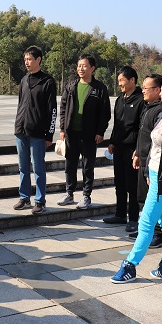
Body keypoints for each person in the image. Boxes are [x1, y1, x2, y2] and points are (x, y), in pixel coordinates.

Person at [111, 73, 162, 284]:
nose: (161, 93)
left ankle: (130, 265)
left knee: (146, 223)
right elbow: (156, 149)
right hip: (157, 175)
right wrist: (149, 172)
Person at [56, 53, 111, 209]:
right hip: (71, 133)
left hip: (89, 135)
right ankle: (69, 193)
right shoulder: (71, 86)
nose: (80, 68)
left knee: (87, 167)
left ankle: (86, 196)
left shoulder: (99, 88)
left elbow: (105, 113)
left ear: (92, 68)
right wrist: (62, 128)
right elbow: (63, 108)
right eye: (79, 66)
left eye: (84, 66)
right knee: (70, 165)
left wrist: (100, 132)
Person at [13, 46, 58, 214]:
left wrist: (49, 134)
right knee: (23, 167)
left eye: (29, 59)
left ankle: (40, 201)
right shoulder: (24, 80)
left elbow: (52, 110)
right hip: (21, 130)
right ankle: (24, 198)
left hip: (38, 132)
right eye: (25, 59)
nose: (26, 62)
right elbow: (20, 104)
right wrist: (18, 123)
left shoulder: (47, 81)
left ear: (38, 60)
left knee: (38, 168)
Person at [104, 66, 145, 229]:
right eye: (119, 80)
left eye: (122, 80)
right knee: (119, 182)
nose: (119, 83)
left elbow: (142, 127)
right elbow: (117, 123)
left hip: (131, 148)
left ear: (132, 80)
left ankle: (133, 218)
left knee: (132, 184)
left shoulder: (141, 100)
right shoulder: (120, 99)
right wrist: (112, 141)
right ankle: (120, 214)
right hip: (119, 147)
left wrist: (138, 149)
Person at [129, 74, 162, 246]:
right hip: (143, 159)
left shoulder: (160, 111)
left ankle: (157, 233)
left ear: (157, 90)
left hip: (152, 163)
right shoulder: (148, 107)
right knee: (143, 197)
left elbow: (156, 141)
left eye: (146, 88)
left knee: (154, 200)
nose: (143, 91)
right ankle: (146, 229)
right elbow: (143, 134)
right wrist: (137, 152)